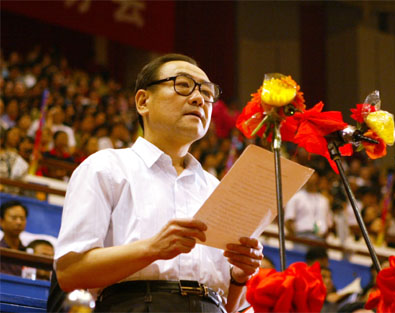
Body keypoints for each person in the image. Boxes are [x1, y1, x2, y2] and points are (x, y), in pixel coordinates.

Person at [54, 54, 263, 313]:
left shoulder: (217, 189)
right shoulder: (105, 168)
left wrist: (238, 277)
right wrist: (152, 248)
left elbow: (231, 308)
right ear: (143, 101)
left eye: (207, 92)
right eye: (183, 85)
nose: (199, 98)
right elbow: (70, 272)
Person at [0, 200, 28, 276]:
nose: (19, 222)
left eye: (22, 218)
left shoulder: (28, 252)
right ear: (1, 221)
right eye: (14, 218)